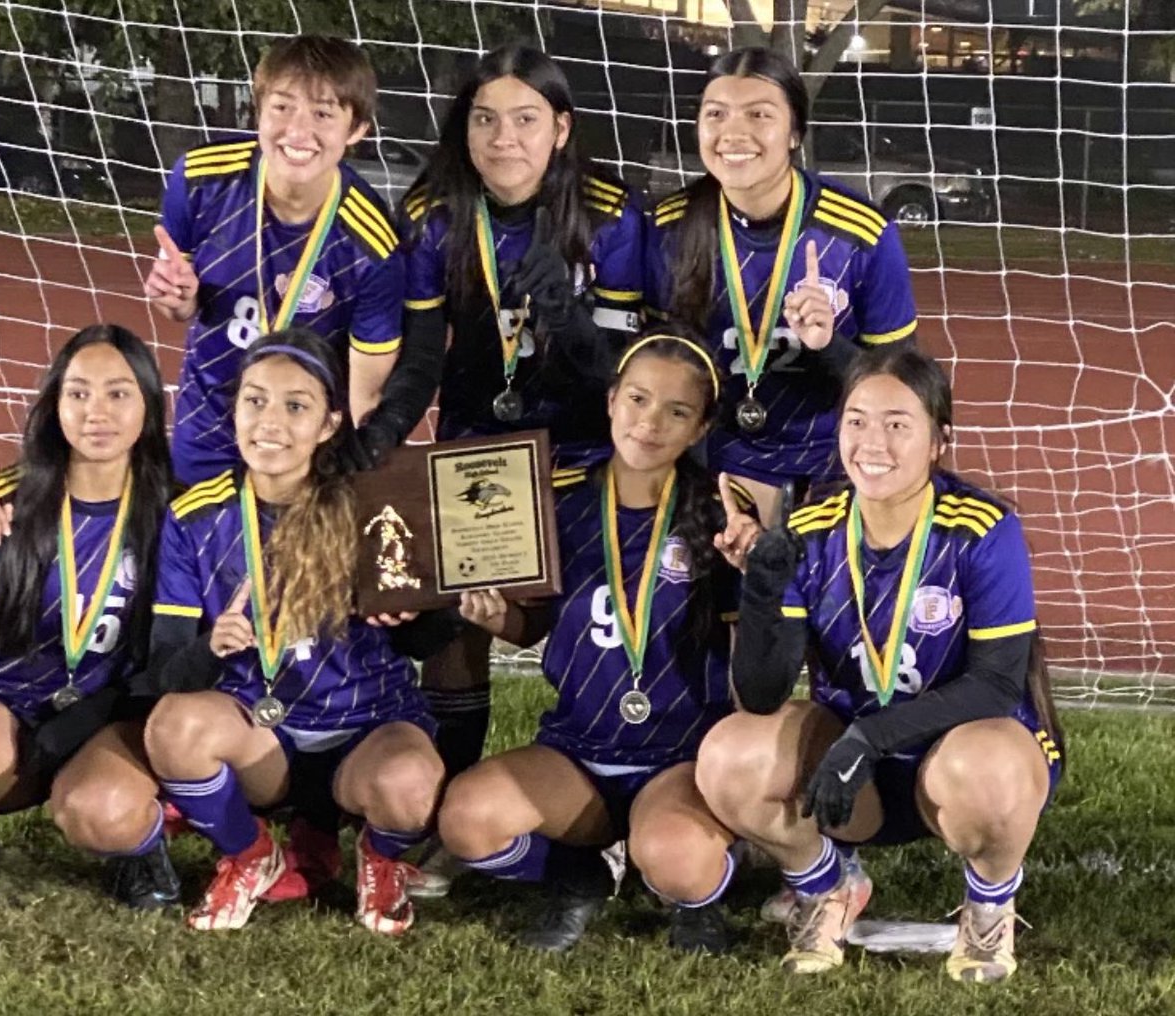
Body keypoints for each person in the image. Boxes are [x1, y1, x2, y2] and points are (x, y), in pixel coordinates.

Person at [695, 346, 1063, 983]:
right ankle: (826, 888)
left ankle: (989, 908)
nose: (873, 442)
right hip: (851, 776)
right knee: (730, 755)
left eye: (898, 424)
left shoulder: (982, 528)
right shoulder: (810, 529)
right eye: (857, 421)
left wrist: (869, 737)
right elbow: (761, 694)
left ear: (938, 441)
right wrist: (759, 588)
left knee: (988, 769)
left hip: (960, 753)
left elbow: (997, 684)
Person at [438, 330, 757, 955]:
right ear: (611, 400)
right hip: (577, 750)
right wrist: (496, 617)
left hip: (680, 754)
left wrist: (757, 576)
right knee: (466, 819)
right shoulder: (558, 500)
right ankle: (577, 870)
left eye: (677, 411)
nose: (650, 422)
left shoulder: (720, 513)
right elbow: (532, 626)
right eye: (638, 399)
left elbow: (754, 655)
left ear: (700, 427)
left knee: (675, 860)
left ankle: (695, 881)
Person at [383, 43, 646, 799]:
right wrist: (383, 436)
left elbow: (622, 378)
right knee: (460, 615)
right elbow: (422, 357)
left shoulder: (610, 215)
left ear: (560, 129)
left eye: (526, 119)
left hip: (585, 447)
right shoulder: (432, 214)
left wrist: (567, 317)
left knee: (601, 611)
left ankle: (609, 788)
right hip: (481, 442)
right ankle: (452, 795)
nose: (504, 138)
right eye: (485, 119)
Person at [136, 328, 446, 933]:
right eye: (254, 401)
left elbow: (425, 643)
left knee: (411, 787)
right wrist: (210, 647)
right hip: (259, 734)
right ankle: (251, 856)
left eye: (296, 406)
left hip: (364, 729)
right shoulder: (194, 516)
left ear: (329, 424)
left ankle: (379, 857)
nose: (270, 421)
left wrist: (419, 615)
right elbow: (166, 670)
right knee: (173, 726)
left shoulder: (370, 505)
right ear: (234, 410)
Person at [644, 46, 918, 525]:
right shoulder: (669, 227)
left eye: (759, 115)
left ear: (794, 133)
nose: (733, 132)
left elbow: (904, 390)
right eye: (716, 114)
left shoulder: (861, 234)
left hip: (830, 473)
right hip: (707, 468)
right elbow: (653, 372)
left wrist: (828, 346)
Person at [144, 34, 407, 486]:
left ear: (357, 129)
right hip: (209, 427)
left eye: (323, 113)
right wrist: (177, 299)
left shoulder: (373, 247)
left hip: (303, 446)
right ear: (259, 110)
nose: (298, 131)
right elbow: (181, 308)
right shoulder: (200, 180)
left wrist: (356, 477)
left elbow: (366, 395)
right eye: (282, 107)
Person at [0, 324, 177, 909]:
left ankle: (140, 848)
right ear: (54, 404)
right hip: (1, 721)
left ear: (149, 405)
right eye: (78, 392)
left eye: (118, 393)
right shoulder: (2, 501)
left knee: (100, 810)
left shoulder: (178, 512)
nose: (96, 412)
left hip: (106, 720)